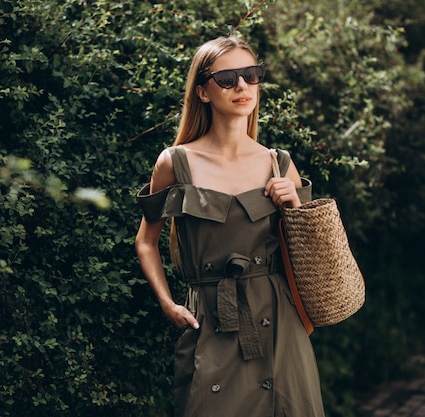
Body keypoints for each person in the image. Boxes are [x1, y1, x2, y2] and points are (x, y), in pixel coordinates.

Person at [135, 35, 326, 417]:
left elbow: (311, 251)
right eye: (228, 78)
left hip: (278, 322)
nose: (242, 86)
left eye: (251, 75)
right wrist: (168, 303)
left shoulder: (279, 163)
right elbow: (145, 242)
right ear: (203, 91)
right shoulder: (174, 162)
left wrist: (293, 201)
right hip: (210, 316)